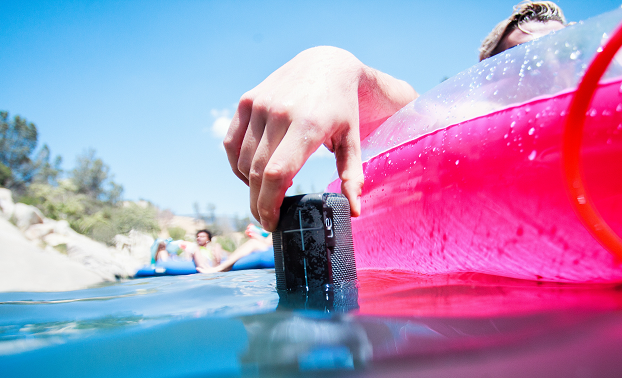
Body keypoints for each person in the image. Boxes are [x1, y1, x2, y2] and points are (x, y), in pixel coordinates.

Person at [224, 2, 567, 232]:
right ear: (483, 78)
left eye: (566, 49)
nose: (546, 64)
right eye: (522, 55)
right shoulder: (472, 122)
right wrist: (336, 66)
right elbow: (420, 115)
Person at [197, 224, 272, 274]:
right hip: (269, 248)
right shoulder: (196, 248)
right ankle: (224, 264)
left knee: (253, 242)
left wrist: (255, 236)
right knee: (252, 242)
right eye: (198, 237)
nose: (199, 238)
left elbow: (269, 242)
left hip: (272, 250)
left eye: (202, 237)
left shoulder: (213, 245)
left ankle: (220, 267)